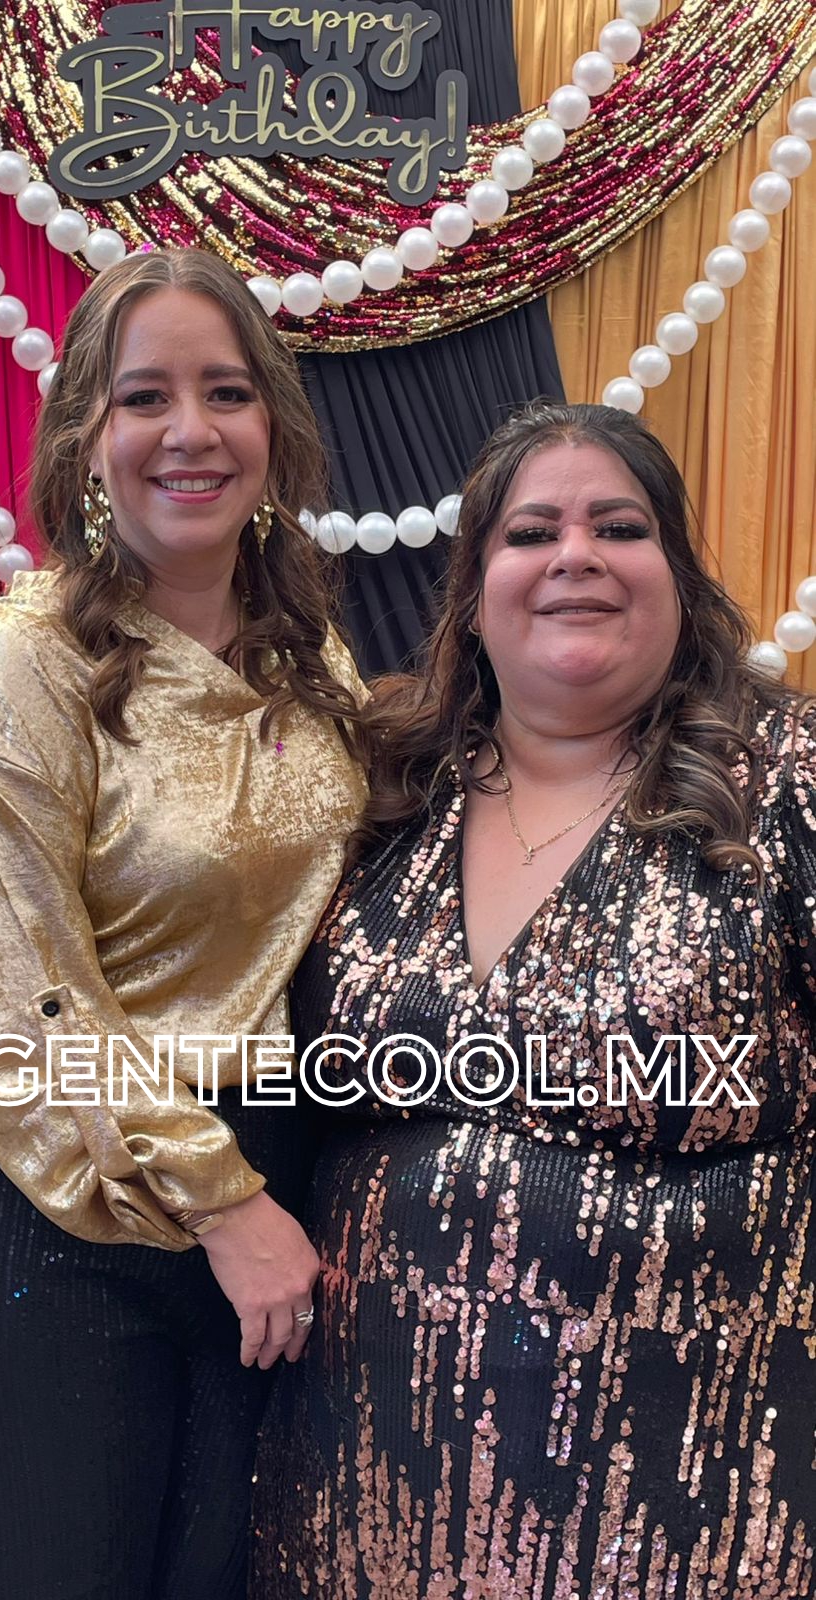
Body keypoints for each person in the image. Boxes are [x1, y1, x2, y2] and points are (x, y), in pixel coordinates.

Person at [252, 402, 816, 1599]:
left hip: (694, 1501)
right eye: (531, 532)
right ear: (471, 592)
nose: (575, 555)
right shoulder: (377, 791)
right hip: (364, 1492)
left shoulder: (785, 780)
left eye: (620, 526)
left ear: (680, 577)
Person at [0, 247, 369, 1600]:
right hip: (40, 1184)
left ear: (272, 428)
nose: (191, 431)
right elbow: (21, 993)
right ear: (84, 439)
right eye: (144, 397)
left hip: (258, 1175)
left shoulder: (308, 654)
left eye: (226, 392)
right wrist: (225, 1203)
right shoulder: (30, 660)